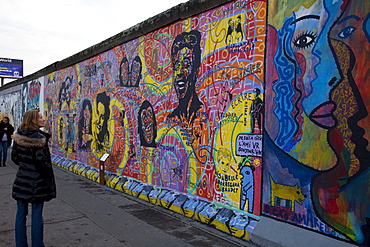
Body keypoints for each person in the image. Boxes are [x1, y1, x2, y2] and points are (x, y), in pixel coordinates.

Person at [11, 109, 56, 247]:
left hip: (22, 181)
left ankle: (21, 244)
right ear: (33, 121)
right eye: (41, 117)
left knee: (20, 215)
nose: (43, 119)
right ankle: (37, 244)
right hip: (37, 183)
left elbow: (15, 158)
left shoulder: (19, 137)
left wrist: (26, 167)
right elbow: (42, 163)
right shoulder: (39, 139)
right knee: (36, 216)